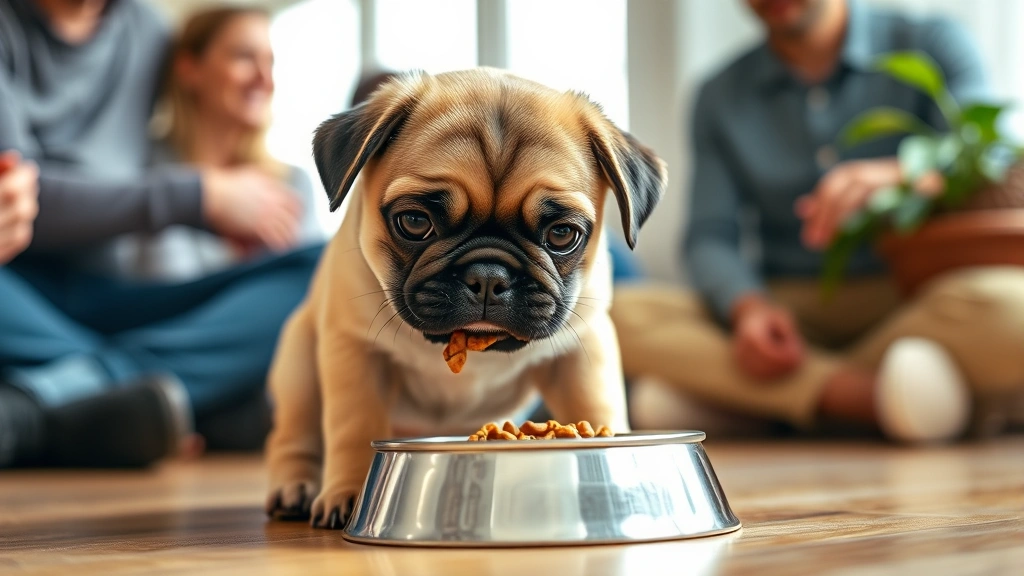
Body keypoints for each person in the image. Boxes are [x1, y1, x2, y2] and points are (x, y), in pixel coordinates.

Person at [611, 0, 1024, 443]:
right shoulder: (719, 95)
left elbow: (992, 156)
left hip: (913, 298)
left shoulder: (934, 43)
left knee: (1012, 308)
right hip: (788, 311)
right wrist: (749, 308)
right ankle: (869, 398)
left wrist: (904, 175)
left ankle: (758, 403)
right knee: (614, 311)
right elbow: (710, 237)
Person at [0, 0, 324, 469]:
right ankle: (192, 400)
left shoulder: (148, 32)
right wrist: (196, 197)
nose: (263, 77)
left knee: (324, 268)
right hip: (21, 287)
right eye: (243, 58)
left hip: (123, 299)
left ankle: (48, 405)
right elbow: (19, 199)